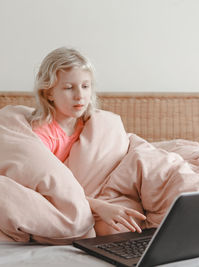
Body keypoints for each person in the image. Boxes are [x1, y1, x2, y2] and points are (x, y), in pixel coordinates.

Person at [30, 47, 146, 235]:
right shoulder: (43, 133)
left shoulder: (94, 124)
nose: (79, 95)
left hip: (105, 195)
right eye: (69, 88)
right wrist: (99, 206)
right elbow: (46, 189)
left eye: (85, 86)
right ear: (49, 93)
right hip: (70, 203)